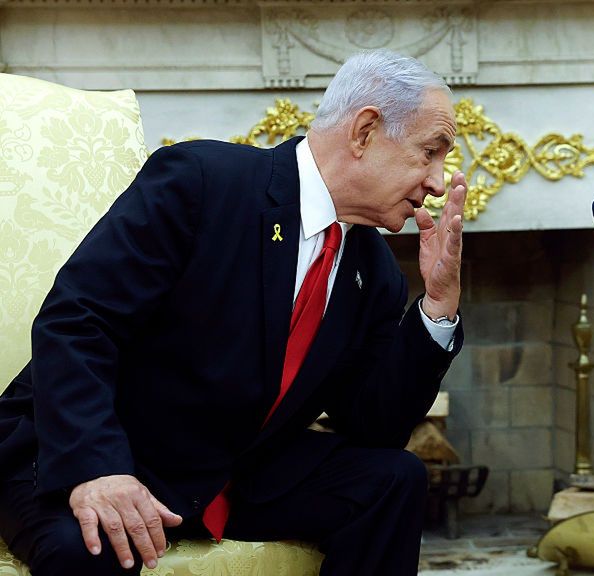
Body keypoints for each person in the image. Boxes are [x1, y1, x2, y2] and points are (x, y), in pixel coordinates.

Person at [0, 49, 467, 576]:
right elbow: (79, 322)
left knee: (393, 478)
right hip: (95, 442)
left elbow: (373, 425)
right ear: (364, 132)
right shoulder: (201, 182)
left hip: (231, 467)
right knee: (88, 548)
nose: (436, 180)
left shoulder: (375, 272)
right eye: (430, 152)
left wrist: (437, 306)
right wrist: (99, 469)